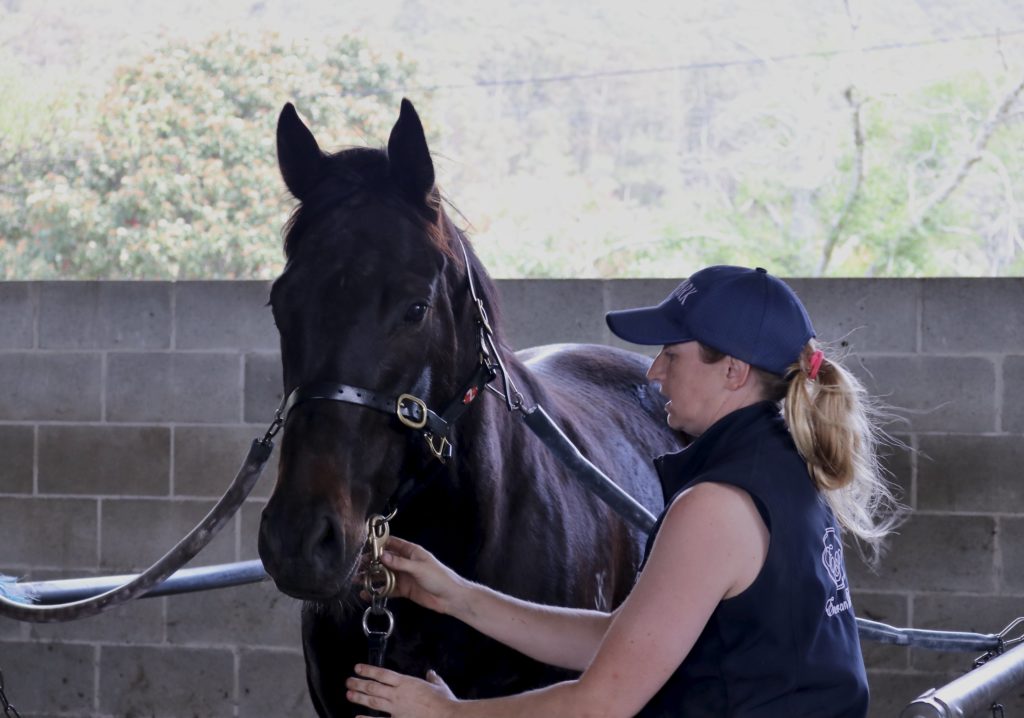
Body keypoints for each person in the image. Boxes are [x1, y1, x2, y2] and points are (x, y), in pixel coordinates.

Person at [346, 265, 901, 718]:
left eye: (673, 355)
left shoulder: (717, 505)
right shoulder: (783, 466)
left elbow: (602, 702)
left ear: (732, 371)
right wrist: (459, 597)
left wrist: (449, 716)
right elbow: (628, 638)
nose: (654, 372)